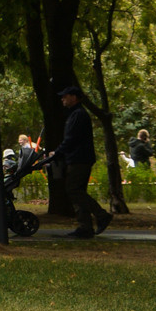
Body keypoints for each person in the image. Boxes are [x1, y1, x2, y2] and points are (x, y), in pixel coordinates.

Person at [46, 85, 111, 238]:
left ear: (74, 97)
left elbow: (71, 139)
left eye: (65, 96)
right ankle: (85, 227)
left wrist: (57, 152)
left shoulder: (78, 115)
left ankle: (101, 215)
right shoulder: (76, 114)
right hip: (78, 158)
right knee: (78, 191)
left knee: (73, 189)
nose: (62, 98)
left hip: (79, 159)